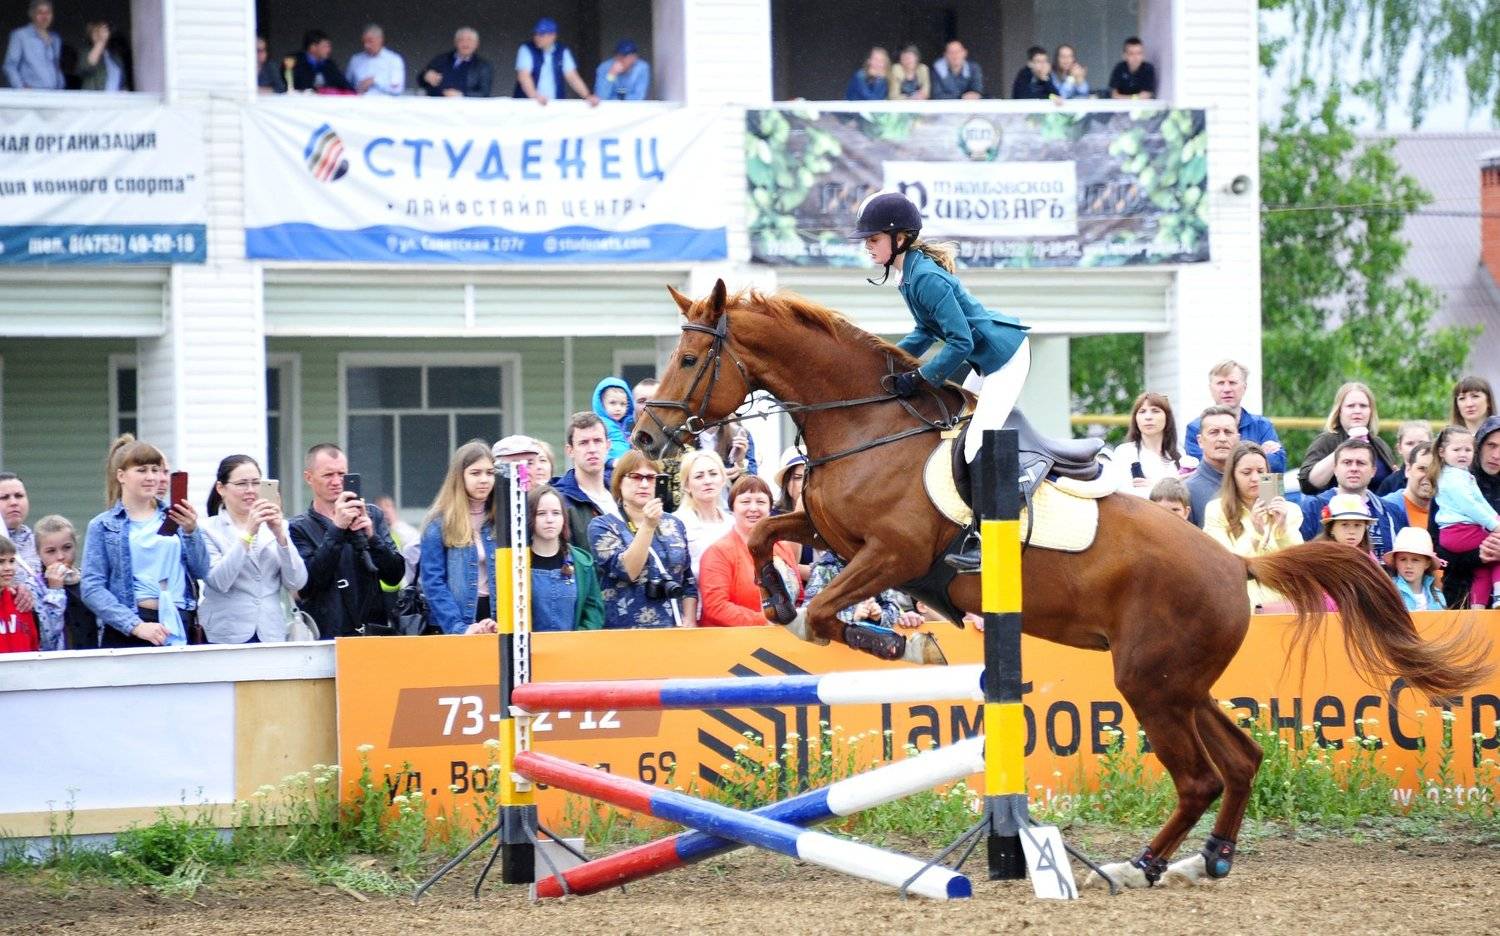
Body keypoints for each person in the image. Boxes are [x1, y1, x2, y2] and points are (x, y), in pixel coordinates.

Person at [853, 192, 1029, 570]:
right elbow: (924, 331)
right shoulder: (908, 275)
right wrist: (887, 363)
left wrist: (920, 377)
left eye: (873, 239)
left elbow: (960, 342)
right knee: (955, 436)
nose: (868, 246)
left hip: (1005, 358)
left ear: (899, 237)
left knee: (975, 443)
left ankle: (990, 535)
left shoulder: (926, 278)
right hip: (985, 360)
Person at [81, 435, 209, 648]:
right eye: (141, 470)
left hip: (178, 619)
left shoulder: (176, 517)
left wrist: (191, 531)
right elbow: (92, 588)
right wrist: (135, 626)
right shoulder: (103, 525)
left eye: (156, 470)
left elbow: (201, 570)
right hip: (131, 626)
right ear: (121, 475)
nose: (151, 477)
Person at [289, 443, 406, 638]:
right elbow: (308, 585)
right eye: (328, 475)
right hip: (326, 635)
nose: (336, 481)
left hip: (372, 632)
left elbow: (394, 576)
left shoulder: (372, 515)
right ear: (309, 477)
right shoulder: (297, 527)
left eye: (342, 474)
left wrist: (372, 537)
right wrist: (337, 529)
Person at [199, 455, 308, 644]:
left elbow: (296, 581)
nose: (250, 490)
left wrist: (280, 536)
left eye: (256, 483)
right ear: (221, 488)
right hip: (226, 631)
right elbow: (219, 581)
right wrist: (248, 533)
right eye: (242, 484)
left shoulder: (278, 526)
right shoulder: (207, 529)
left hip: (270, 632)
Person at [589, 450, 696, 628]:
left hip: (674, 628)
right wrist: (648, 525)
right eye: (636, 477)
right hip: (625, 631)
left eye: (651, 477)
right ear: (619, 482)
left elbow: (688, 580)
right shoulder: (602, 525)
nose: (644, 484)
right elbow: (628, 571)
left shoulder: (675, 524)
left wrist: (690, 620)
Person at [1203, 442, 1302, 610]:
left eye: (1261, 472)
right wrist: (1255, 535)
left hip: (1283, 605)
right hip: (1238, 607)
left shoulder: (1290, 510)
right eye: (1246, 472)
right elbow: (1227, 566)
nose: (1255, 478)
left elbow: (1298, 565)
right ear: (1232, 476)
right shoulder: (1216, 510)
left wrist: (1282, 530)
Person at [698, 476, 801, 627]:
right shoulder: (717, 553)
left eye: (760, 502)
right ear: (732, 508)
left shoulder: (782, 547)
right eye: (745, 502)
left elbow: (798, 597)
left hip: (784, 635)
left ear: (770, 508)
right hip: (734, 638)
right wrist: (765, 621)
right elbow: (716, 607)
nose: (753, 508)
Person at [419, 442, 499, 635]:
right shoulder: (438, 523)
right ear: (459, 476)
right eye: (475, 473)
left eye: (490, 473)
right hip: (456, 621)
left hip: (496, 620)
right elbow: (433, 583)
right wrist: (458, 627)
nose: (484, 480)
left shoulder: (503, 519)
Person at [1297, 438, 1404, 558]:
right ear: (1335, 469)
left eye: (1361, 463)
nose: (1354, 468)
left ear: (1373, 471)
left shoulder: (1391, 511)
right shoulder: (1312, 507)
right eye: (1347, 462)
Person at [1434, 416, 1500, 608]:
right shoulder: (1452, 482)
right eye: (1491, 445)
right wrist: (1479, 555)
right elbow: (1437, 548)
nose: (1496, 454)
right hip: (1459, 592)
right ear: (1479, 445)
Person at [1183, 360, 1285, 472]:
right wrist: (1258, 455)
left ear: (1244, 387)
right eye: (1220, 383)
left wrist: (1222, 459)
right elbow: (1204, 469)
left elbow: (1277, 465)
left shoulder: (1263, 426)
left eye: (1232, 383)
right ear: (1211, 388)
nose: (1227, 389)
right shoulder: (1195, 428)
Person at [1297, 381, 1397, 495]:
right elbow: (1308, 484)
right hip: (1335, 505)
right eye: (1351, 406)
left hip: (1376, 505)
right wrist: (1343, 449)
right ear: (1339, 411)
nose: (1357, 411)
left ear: (1371, 411)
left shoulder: (1379, 444)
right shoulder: (1326, 441)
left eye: (1363, 406)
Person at [528, 484, 604, 631]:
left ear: (564, 517)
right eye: (541, 513)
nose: (549, 519)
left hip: (574, 644)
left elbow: (593, 611)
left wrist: (577, 639)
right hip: (531, 645)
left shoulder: (582, 562)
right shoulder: (517, 563)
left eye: (556, 513)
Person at [803, 550, 924, 629]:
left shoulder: (875, 567)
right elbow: (808, 616)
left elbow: (894, 608)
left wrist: (879, 615)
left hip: (870, 649)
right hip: (833, 651)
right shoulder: (824, 568)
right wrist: (851, 616)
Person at [1110, 392, 1195, 495]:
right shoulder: (1125, 452)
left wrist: (1153, 486)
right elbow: (1122, 494)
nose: (1148, 417)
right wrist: (1172, 484)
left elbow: (1184, 495)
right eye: (1142, 411)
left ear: (1167, 417)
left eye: (1155, 411)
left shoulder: (1179, 452)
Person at [555, 412, 618, 550]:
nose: (592, 449)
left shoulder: (623, 492)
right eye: (583, 443)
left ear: (608, 446)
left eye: (597, 441)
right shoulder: (560, 502)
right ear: (570, 451)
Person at [671, 449, 733, 580]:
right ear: (687, 485)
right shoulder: (676, 523)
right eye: (699, 476)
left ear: (723, 479)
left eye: (713, 474)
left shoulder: (733, 523)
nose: (707, 481)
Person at [34, 515, 93, 650]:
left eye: (67, 548)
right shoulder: (35, 587)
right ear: (38, 553)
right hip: (61, 660)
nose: (60, 557)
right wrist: (55, 591)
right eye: (51, 551)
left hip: (94, 656)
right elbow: (47, 638)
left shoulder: (89, 580)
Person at [514, 17, 598, 106]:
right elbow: (524, 76)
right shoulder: (526, 49)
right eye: (535, 34)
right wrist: (534, 96)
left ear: (553, 35)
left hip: (555, 105)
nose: (537, 37)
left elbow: (572, 77)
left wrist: (587, 96)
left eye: (541, 34)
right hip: (528, 105)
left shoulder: (562, 51)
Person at [1183, 406, 1240, 526]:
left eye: (1228, 432)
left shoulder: (1254, 483)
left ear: (1238, 439)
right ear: (1200, 441)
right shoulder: (1186, 491)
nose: (1222, 438)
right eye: (1214, 432)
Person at [772, 447, 813, 580]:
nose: (805, 483)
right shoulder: (775, 518)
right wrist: (821, 572)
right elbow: (787, 565)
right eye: (798, 477)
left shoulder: (828, 516)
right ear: (787, 483)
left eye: (810, 476)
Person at [4, 1, 64, 90]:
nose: (45, 17)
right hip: (32, 93)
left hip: (54, 92)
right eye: (40, 12)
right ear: (32, 14)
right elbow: (10, 65)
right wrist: (21, 87)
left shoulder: (55, 38)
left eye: (48, 13)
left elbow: (56, 66)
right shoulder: (21, 35)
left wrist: (61, 85)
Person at [1383, 527, 1445, 612]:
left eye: (1415, 560)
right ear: (1395, 562)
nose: (1408, 566)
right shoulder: (1388, 593)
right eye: (1403, 559)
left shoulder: (1437, 597)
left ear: (1427, 563)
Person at [1380, 441, 1435, 531]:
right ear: (1408, 470)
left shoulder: (1448, 511)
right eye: (1422, 469)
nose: (1429, 476)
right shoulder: (1385, 508)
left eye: (1435, 470)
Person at [422, 27, 492, 97]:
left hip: (465, 103)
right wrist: (425, 76)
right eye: (461, 39)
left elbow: (484, 93)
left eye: (469, 40)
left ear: (477, 44)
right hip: (436, 102)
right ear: (455, 43)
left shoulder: (483, 66)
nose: (465, 43)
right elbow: (421, 80)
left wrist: (462, 95)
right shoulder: (442, 59)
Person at [0, 535, 40, 654]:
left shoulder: (21, 601)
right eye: (1, 562)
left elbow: (33, 647)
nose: (8, 568)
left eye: (12, 561)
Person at [1375, 421, 1434, 496]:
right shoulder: (1390, 483)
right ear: (1399, 448)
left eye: (1422, 443)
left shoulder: (1441, 478)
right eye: (1410, 443)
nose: (1416, 447)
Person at [345, 24, 404, 96]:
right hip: (359, 101)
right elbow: (346, 85)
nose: (366, 45)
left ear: (380, 40)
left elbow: (397, 89)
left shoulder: (393, 60)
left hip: (384, 101)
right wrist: (357, 88)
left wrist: (374, 81)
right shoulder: (355, 60)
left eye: (370, 41)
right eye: (364, 42)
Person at [1318, 492, 1377, 558]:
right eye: (1344, 525)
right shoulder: (1319, 557)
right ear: (1331, 528)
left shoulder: (1369, 556)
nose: (1352, 531)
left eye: (1357, 525)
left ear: (1364, 529)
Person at [592, 376, 636, 462]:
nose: (618, 408)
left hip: (627, 465)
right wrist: (610, 462)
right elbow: (596, 450)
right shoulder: (599, 424)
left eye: (623, 404)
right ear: (602, 404)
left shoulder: (629, 424)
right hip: (609, 466)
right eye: (612, 403)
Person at [76, 20, 124, 91]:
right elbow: (86, 66)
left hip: (114, 97)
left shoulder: (115, 57)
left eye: (102, 30)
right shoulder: (86, 52)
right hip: (94, 97)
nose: (99, 33)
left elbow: (122, 82)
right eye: (95, 31)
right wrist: (101, 41)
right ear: (90, 35)